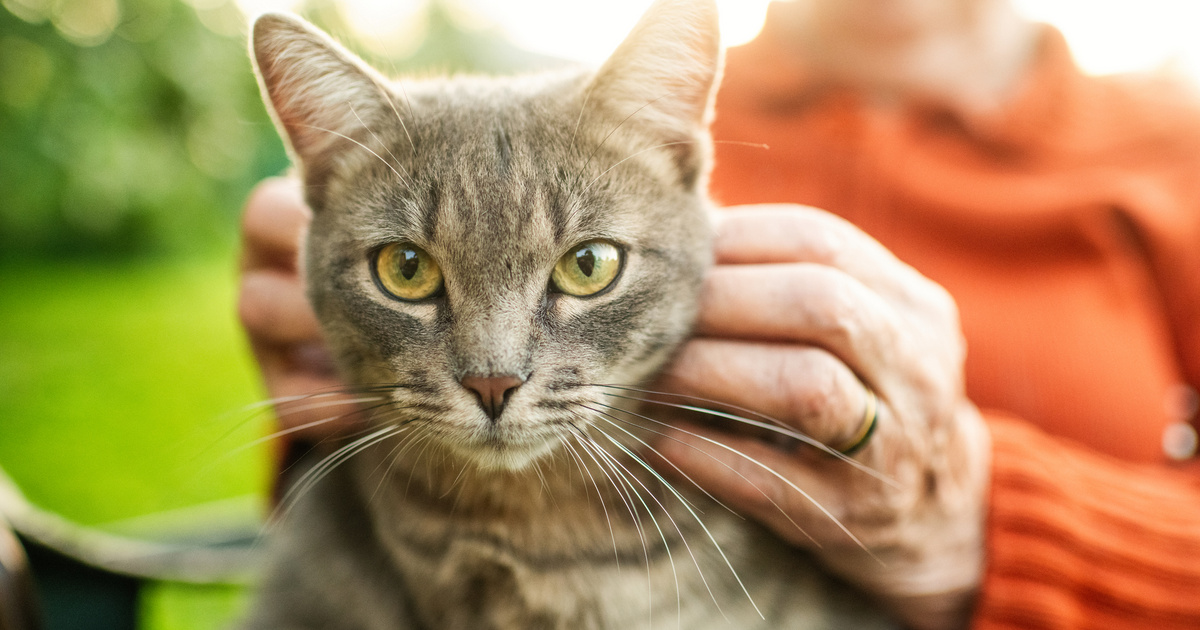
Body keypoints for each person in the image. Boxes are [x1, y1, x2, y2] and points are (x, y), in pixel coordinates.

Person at [237, 0, 1200, 628]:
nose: (496, 367)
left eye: (586, 263)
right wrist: (324, 387)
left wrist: (991, 522)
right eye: (411, 271)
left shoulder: (1174, 148)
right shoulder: (627, 97)